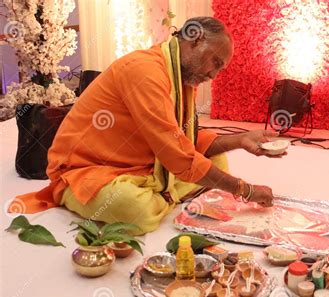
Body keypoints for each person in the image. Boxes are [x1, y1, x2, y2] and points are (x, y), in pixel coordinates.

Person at [8, 17, 285, 234]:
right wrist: (245, 190)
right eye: (215, 62)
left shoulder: (179, 76)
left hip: (140, 163)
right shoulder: (145, 71)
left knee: (218, 161)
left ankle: (161, 194)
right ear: (194, 39)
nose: (213, 74)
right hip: (88, 170)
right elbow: (177, 153)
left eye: (219, 69)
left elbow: (182, 140)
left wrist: (240, 140)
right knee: (134, 208)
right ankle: (147, 195)